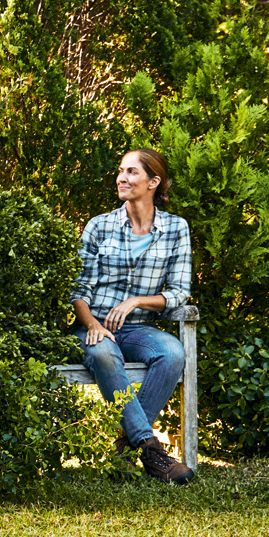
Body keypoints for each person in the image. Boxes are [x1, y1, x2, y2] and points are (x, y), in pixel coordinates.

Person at [71, 148, 195, 484]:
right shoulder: (100, 226)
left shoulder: (175, 229)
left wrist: (137, 301)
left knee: (171, 353)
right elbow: (78, 290)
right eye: (121, 171)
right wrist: (93, 325)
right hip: (92, 327)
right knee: (104, 353)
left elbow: (179, 292)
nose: (122, 178)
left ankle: (126, 448)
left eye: (132, 172)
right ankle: (150, 450)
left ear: (153, 182)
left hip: (139, 329)